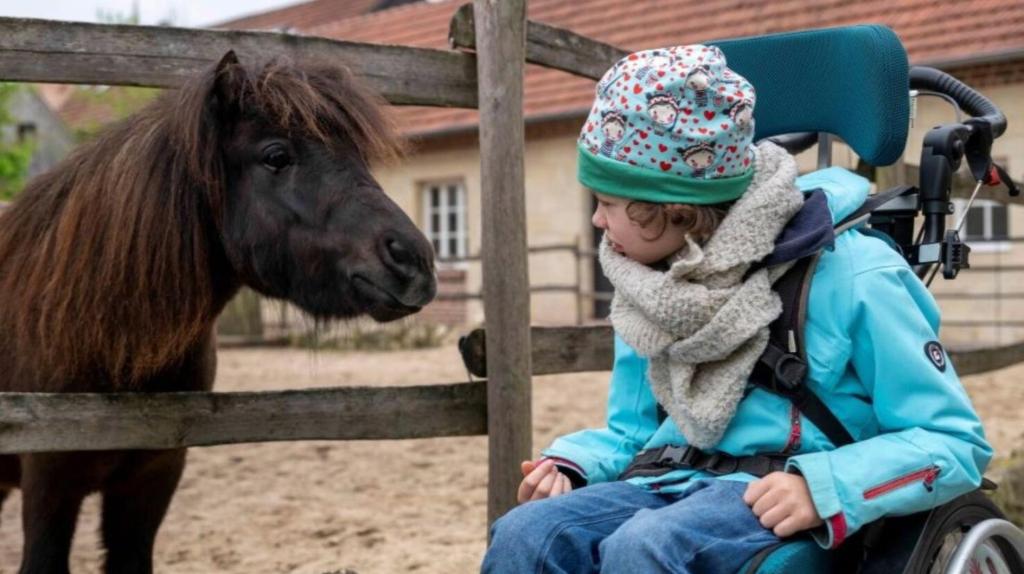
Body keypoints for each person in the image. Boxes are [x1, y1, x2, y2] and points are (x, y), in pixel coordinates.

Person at [481, 44, 992, 574]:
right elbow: (631, 434)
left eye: (608, 203)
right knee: (527, 535)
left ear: (675, 207)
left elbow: (953, 443)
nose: (596, 222)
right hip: (670, 480)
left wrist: (826, 487)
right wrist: (574, 463)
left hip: (794, 487)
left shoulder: (857, 274)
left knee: (648, 548)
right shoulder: (651, 287)